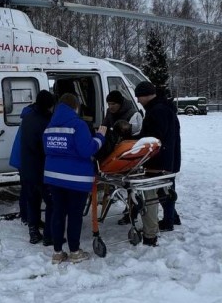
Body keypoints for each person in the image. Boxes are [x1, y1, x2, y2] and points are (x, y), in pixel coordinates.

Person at [43, 93, 106, 264]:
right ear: (76, 107)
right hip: (76, 179)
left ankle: (57, 253)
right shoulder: (78, 125)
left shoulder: (50, 126)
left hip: (54, 178)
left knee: (58, 213)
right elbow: (87, 150)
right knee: (74, 215)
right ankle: (74, 252)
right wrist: (100, 137)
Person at [134, 80, 181, 246]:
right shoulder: (164, 108)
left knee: (157, 193)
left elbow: (152, 138)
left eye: (139, 97)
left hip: (159, 161)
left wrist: (135, 141)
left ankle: (164, 224)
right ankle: (171, 218)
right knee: (166, 190)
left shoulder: (157, 111)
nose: (138, 100)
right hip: (169, 158)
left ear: (146, 95)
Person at [19, 90, 55, 245]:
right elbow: (46, 147)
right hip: (42, 168)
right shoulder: (46, 121)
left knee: (33, 200)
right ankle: (50, 235)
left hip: (27, 167)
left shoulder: (27, 117)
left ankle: (33, 231)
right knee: (51, 202)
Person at [99, 90, 143, 159]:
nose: (110, 107)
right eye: (109, 104)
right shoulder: (109, 112)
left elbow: (135, 136)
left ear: (120, 103)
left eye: (113, 104)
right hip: (109, 147)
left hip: (125, 150)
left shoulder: (133, 114)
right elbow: (104, 126)